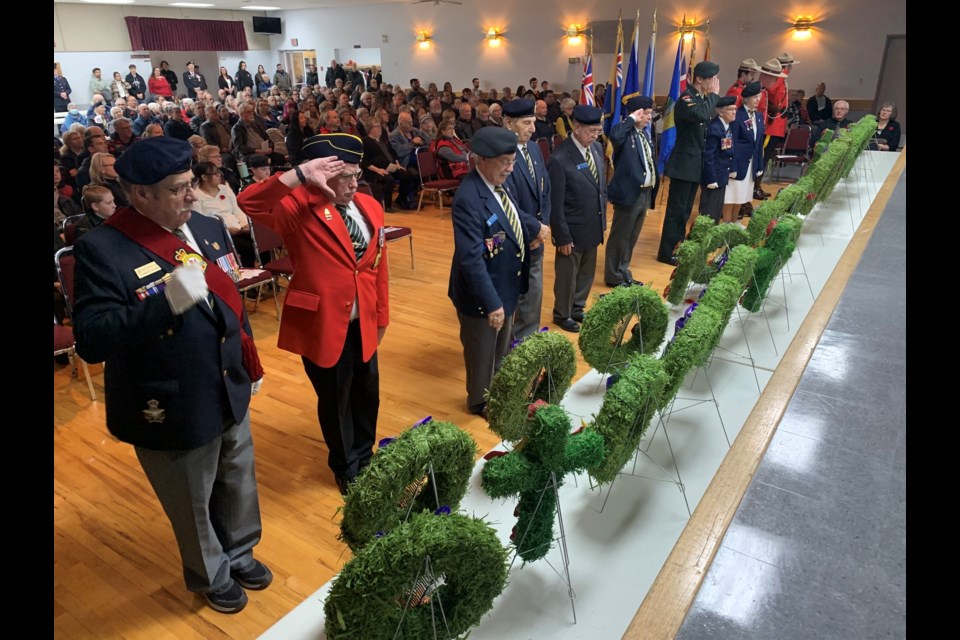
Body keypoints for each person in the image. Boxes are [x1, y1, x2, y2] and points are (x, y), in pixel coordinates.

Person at [72, 136, 271, 615]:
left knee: (237, 474)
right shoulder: (102, 249)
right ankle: (211, 573)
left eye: (189, 184)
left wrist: (246, 353)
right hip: (170, 397)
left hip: (226, 380)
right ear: (140, 194)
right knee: (191, 496)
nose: (191, 195)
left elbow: (231, 295)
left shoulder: (203, 225)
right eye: (179, 188)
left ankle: (240, 550)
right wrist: (165, 304)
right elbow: (94, 340)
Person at [238, 133, 390, 495]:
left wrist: (381, 316)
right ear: (320, 174)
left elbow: (378, 267)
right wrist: (300, 173)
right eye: (344, 176)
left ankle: (365, 454)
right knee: (336, 397)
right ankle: (346, 465)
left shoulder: (369, 206)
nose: (354, 183)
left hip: (364, 318)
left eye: (356, 175)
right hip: (323, 322)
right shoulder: (296, 206)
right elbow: (250, 202)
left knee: (367, 390)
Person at [448, 126, 547, 417]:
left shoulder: (497, 184)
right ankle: (480, 401)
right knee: (482, 353)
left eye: (513, 161)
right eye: (504, 162)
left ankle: (499, 391)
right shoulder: (469, 198)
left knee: (501, 349)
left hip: (505, 282)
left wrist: (534, 227)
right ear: (481, 160)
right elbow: (471, 260)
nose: (510, 168)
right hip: (482, 293)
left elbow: (512, 213)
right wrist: (492, 303)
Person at [548, 104, 608, 332]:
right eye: (591, 131)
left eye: (598, 131)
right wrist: (561, 236)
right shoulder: (560, 158)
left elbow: (600, 187)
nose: (595, 136)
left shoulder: (596, 150)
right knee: (567, 276)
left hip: (592, 224)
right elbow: (555, 202)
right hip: (571, 230)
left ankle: (577, 307)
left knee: (586, 272)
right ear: (577, 127)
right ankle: (562, 314)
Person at [657, 61, 721, 265]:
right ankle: (666, 252)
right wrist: (713, 96)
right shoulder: (686, 98)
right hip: (683, 164)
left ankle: (678, 246)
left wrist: (709, 97)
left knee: (685, 211)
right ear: (700, 79)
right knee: (676, 211)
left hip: (694, 165)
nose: (714, 82)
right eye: (711, 78)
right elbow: (700, 115)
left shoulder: (700, 98)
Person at [501, 98, 552, 342]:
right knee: (512, 291)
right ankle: (509, 344)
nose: (533, 129)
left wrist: (544, 226)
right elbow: (507, 200)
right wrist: (534, 228)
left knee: (534, 292)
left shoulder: (532, 148)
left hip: (536, 234)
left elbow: (546, 188)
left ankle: (526, 340)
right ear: (509, 123)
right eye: (526, 123)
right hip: (514, 235)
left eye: (533, 122)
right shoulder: (501, 153)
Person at [604, 95, 657, 286]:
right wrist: (631, 119)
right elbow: (614, 135)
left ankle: (623, 270)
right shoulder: (625, 133)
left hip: (644, 193)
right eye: (647, 114)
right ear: (637, 113)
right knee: (620, 236)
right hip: (629, 193)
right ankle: (612, 275)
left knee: (632, 237)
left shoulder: (643, 134)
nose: (650, 118)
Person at [722, 83, 764, 225]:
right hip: (738, 163)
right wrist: (731, 166)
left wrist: (759, 165)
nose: (758, 99)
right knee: (731, 196)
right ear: (746, 99)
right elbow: (731, 141)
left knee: (742, 195)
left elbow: (758, 142)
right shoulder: (738, 115)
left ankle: (735, 222)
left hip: (751, 163)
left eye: (759, 96)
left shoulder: (758, 116)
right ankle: (727, 224)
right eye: (754, 97)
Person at [699, 96, 738, 224]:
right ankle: (701, 240)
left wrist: (732, 169)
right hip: (713, 177)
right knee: (708, 213)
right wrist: (711, 179)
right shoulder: (715, 128)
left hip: (722, 174)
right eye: (730, 109)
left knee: (716, 211)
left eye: (735, 109)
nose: (734, 112)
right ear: (720, 112)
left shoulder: (726, 126)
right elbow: (708, 156)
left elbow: (729, 150)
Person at [361, 117, 404, 212]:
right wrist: (378, 170)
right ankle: (387, 206)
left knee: (408, 174)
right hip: (375, 171)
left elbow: (392, 152)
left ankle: (402, 199)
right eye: (376, 127)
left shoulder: (383, 139)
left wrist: (397, 164)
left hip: (390, 167)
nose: (379, 128)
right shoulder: (366, 142)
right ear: (370, 129)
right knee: (389, 179)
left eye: (379, 126)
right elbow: (364, 162)